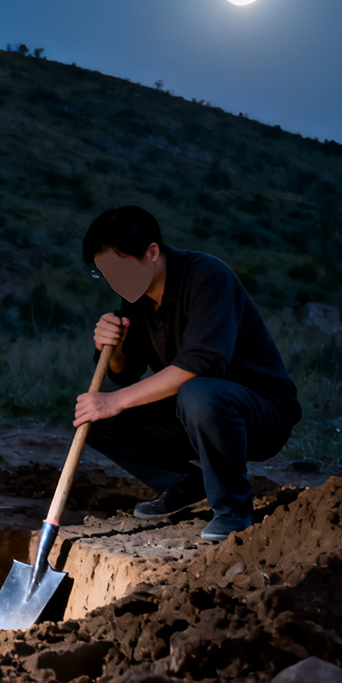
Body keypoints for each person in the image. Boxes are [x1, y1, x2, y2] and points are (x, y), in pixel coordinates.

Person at [72, 206, 300, 542]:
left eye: (119, 269)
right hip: (195, 408)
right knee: (91, 414)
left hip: (259, 411)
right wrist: (113, 344)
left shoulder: (208, 276)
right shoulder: (137, 299)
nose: (113, 282)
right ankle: (186, 483)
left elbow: (201, 365)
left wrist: (115, 400)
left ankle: (233, 509)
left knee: (197, 392)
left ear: (152, 252)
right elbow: (124, 375)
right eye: (104, 273)